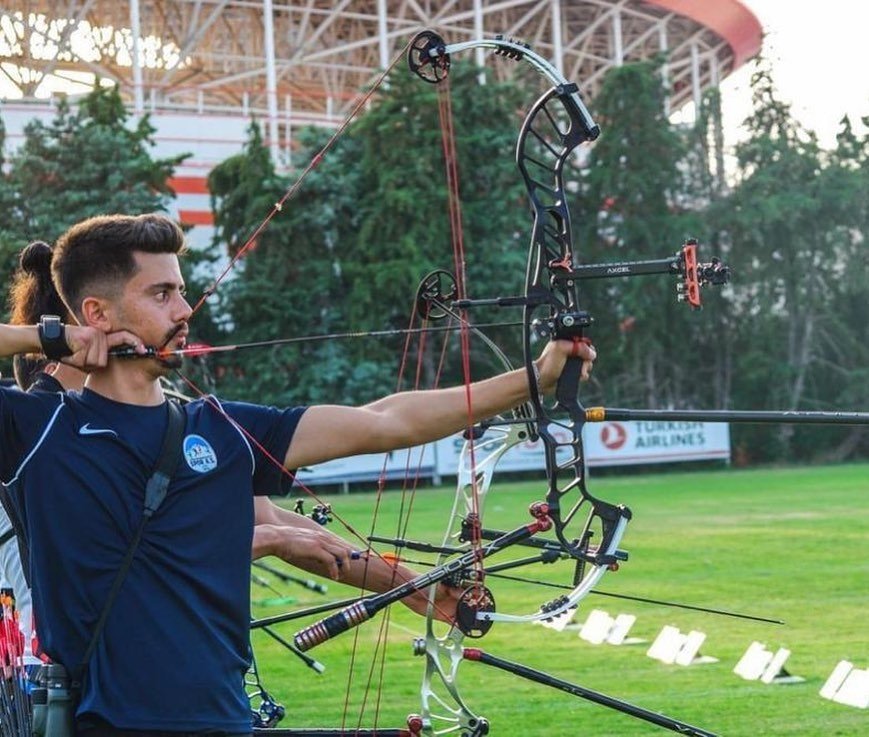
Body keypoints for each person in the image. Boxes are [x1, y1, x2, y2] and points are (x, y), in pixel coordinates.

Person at [0, 213, 595, 736]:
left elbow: (386, 421)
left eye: (181, 291)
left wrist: (535, 378)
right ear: (96, 313)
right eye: (161, 294)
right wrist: (44, 337)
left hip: (224, 717)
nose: (184, 311)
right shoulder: (38, 431)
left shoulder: (222, 430)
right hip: (106, 722)